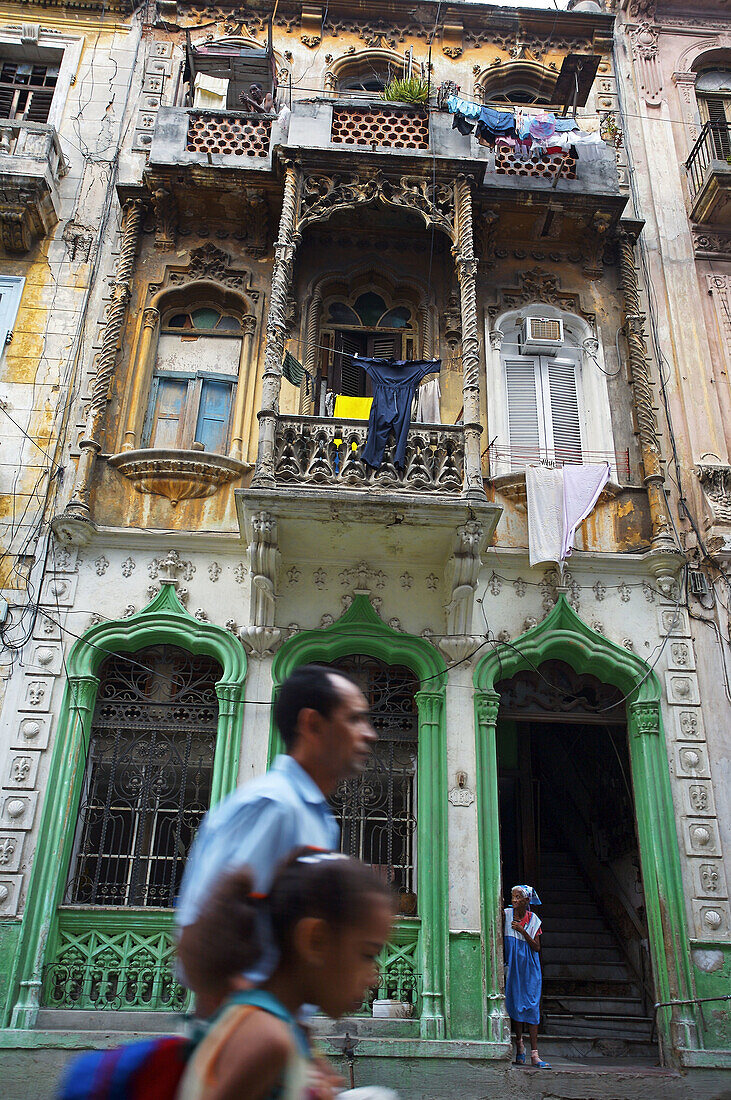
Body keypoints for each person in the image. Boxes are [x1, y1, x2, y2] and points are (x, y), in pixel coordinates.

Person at [176, 664, 375, 990]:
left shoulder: (316, 816)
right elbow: (198, 935)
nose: (369, 733)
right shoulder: (272, 806)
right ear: (312, 724)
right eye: (353, 719)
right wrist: (260, 1020)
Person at [176, 851, 394, 1100]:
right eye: (367, 954)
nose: (374, 978)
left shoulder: (280, 1026)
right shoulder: (268, 1040)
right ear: (315, 941)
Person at [504, 885, 551, 1069]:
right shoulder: (506, 915)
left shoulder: (534, 921)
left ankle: (535, 1054)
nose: (514, 900)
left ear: (526, 901)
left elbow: (537, 948)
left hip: (530, 968)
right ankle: (520, 1048)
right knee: (515, 1005)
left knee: (531, 1007)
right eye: (513, 896)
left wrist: (522, 931)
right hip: (513, 966)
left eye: (518, 897)